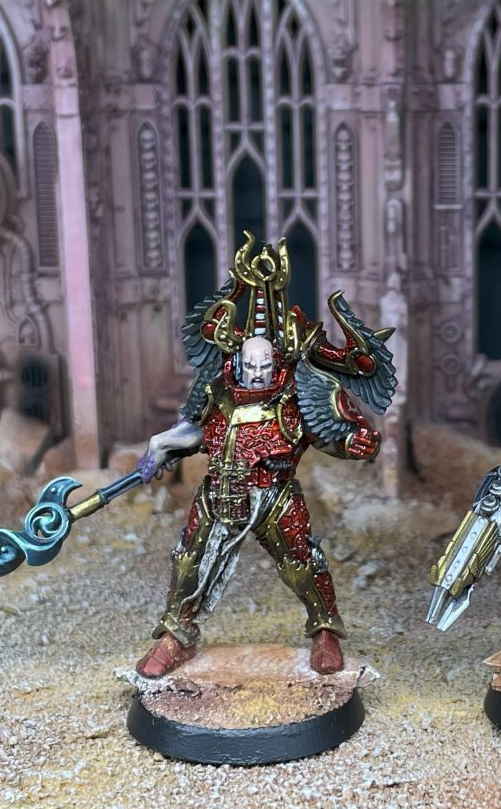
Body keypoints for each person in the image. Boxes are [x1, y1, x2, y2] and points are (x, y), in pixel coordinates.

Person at [136, 233, 395, 678]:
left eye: (264, 366)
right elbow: (196, 431)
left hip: (275, 494)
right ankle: (175, 635)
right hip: (219, 491)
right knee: (189, 560)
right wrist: (161, 447)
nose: (256, 373)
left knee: (301, 563)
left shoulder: (297, 394)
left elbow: (334, 434)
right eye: (250, 366)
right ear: (238, 362)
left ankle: (325, 631)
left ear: (277, 363)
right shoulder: (219, 389)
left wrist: (354, 443)